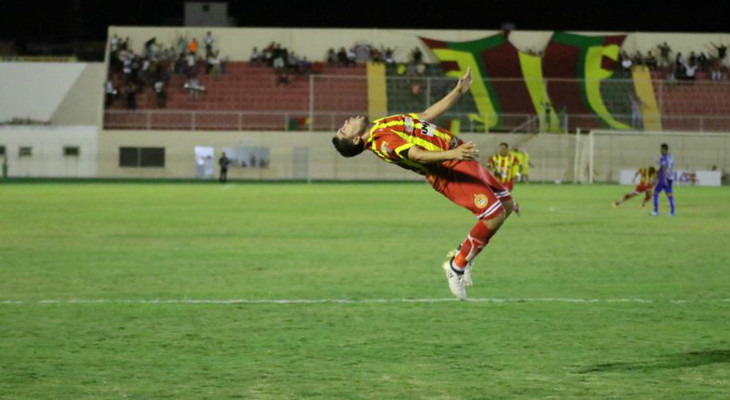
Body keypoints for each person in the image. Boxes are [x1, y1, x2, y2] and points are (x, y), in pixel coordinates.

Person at [331, 68, 516, 300]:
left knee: (506, 205)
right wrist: (454, 154)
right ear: (357, 139)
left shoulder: (381, 124)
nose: (347, 121)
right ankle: (456, 265)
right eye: (344, 129)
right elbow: (417, 155)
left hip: (455, 155)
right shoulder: (382, 143)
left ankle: (463, 254)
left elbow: (426, 115)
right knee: (494, 215)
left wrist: (458, 91)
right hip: (447, 169)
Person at [651, 143, 676, 216]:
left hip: (664, 177)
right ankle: (672, 212)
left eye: (662, 149)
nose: (660, 151)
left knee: (655, 193)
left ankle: (656, 211)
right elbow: (664, 167)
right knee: (669, 194)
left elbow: (664, 167)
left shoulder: (664, 158)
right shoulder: (670, 156)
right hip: (670, 177)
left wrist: (663, 178)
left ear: (665, 150)